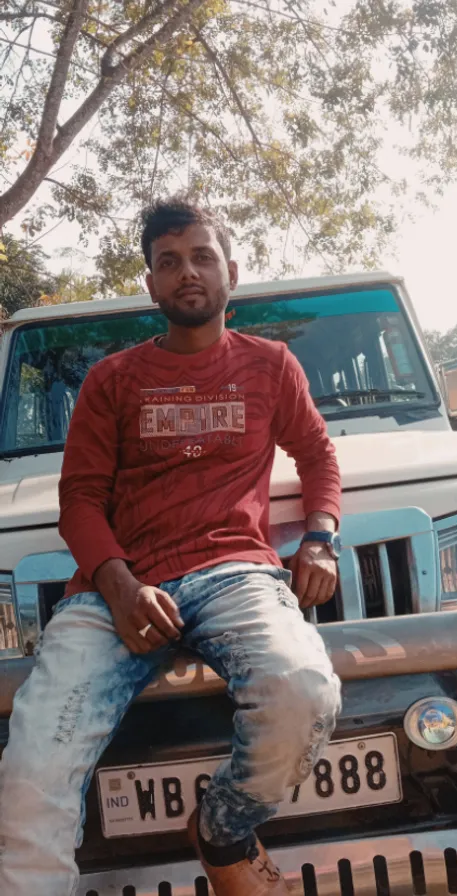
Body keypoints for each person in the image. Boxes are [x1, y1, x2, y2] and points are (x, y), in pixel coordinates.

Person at [0, 198, 342, 896]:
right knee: (30, 772)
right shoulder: (113, 380)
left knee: (303, 692)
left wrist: (320, 537)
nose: (187, 272)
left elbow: (318, 458)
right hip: (111, 596)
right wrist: (121, 589)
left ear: (231, 272)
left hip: (235, 576)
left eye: (202, 256)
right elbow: (81, 501)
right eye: (168, 262)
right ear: (152, 284)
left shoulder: (273, 367)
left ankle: (221, 832)